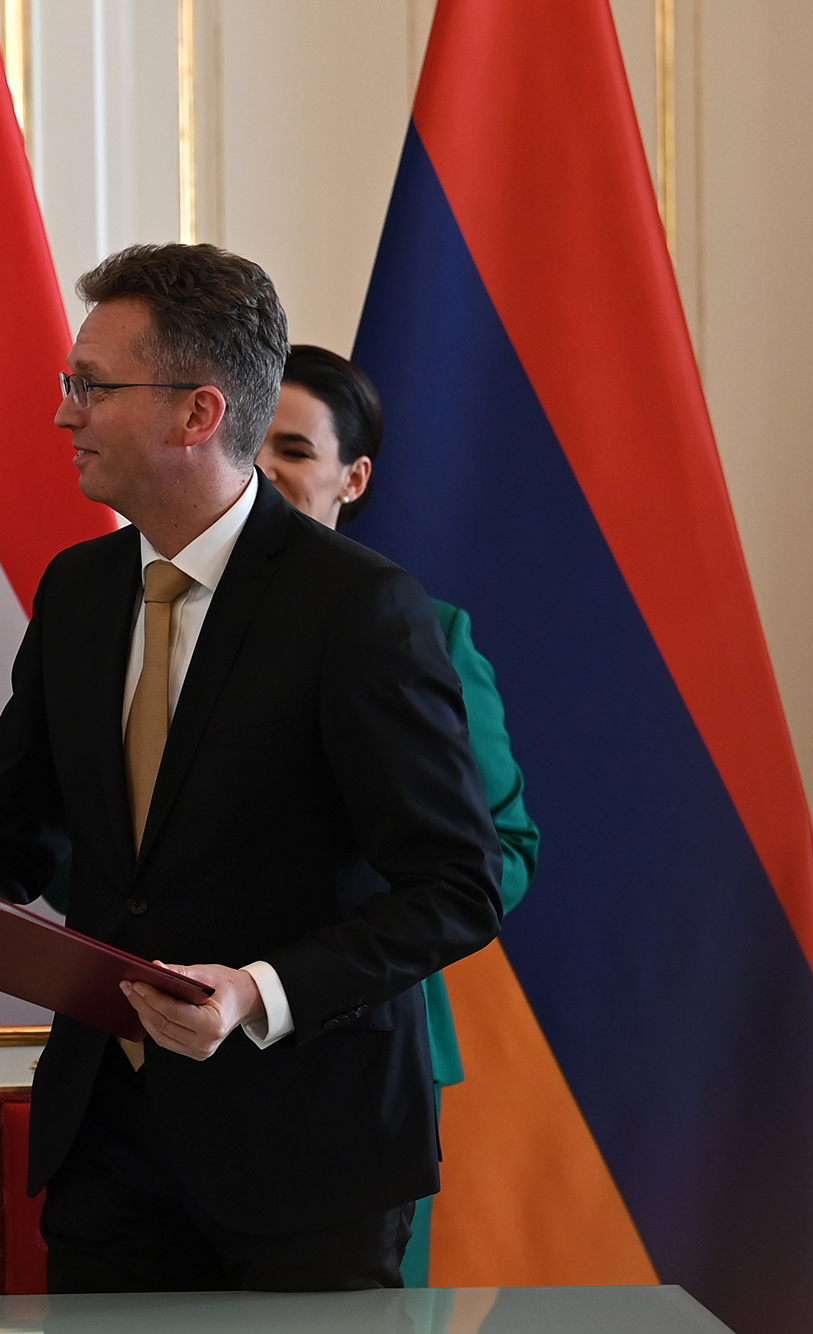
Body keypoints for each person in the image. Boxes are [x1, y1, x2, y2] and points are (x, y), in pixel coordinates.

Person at [0, 243, 502, 1293]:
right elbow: (10, 829)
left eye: (92, 387)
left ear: (197, 413)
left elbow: (456, 884)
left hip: (306, 1148)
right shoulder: (80, 591)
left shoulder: (359, 609)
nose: (65, 414)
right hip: (110, 1136)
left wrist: (256, 991)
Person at [258, 343, 540, 1285]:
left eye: (294, 449)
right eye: (248, 443)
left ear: (354, 478)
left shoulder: (422, 629)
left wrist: (350, 937)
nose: (263, 468)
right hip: (165, 1045)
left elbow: (501, 850)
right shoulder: (152, 617)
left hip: (360, 1053)